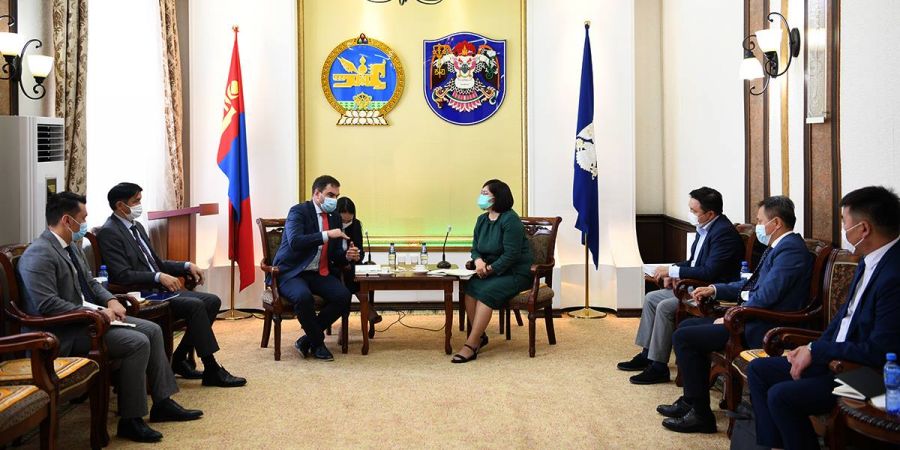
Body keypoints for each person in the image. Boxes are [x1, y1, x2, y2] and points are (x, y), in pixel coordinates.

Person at [18, 192, 203, 443]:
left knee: (152, 330)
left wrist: (110, 300)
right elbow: (47, 304)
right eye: (83, 218)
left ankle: (162, 402)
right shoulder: (39, 253)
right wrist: (95, 313)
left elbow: (91, 283)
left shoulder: (71, 247)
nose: (85, 223)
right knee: (137, 342)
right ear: (67, 220)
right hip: (60, 333)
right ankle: (131, 420)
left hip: (86, 322)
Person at [745, 186, 900, 450]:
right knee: (759, 370)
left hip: (869, 374)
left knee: (782, 396)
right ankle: (772, 445)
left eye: (844, 222)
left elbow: (880, 350)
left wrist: (817, 351)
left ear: (863, 229)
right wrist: (810, 347)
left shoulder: (893, 275)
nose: (843, 230)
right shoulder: (868, 260)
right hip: (835, 357)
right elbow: (843, 319)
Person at [660, 196, 813, 433]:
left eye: (760, 221)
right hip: (751, 317)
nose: (758, 227)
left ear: (776, 223)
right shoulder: (779, 247)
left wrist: (735, 314)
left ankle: (701, 415)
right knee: (686, 327)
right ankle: (691, 401)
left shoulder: (791, 251)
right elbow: (751, 285)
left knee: (685, 337)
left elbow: (767, 295)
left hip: (765, 326)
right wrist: (715, 289)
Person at [96, 182, 245, 388]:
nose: (140, 205)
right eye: (136, 201)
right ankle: (211, 368)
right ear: (121, 206)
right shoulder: (109, 232)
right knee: (196, 305)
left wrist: (186, 265)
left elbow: (156, 262)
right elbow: (123, 275)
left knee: (212, 301)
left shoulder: (136, 227)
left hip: (159, 291)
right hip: (141, 295)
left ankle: (180, 358)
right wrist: (158, 277)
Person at [618, 187, 744, 384]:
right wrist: (673, 270)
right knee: (651, 298)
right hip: (694, 287)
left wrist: (673, 272)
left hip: (711, 291)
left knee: (664, 306)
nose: (690, 214)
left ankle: (659, 366)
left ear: (710, 213)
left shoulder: (723, 234)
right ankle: (647, 354)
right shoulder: (705, 227)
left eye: (694, 211)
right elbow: (693, 263)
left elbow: (709, 272)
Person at [271, 175, 361, 361]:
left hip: (318, 272)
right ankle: (318, 344)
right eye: (330, 195)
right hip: (292, 272)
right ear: (317, 194)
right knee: (303, 297)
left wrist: (347, 256)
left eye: (336, 196)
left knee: (343, 296)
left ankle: (306, 340)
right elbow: (296, 242)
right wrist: (326, 234)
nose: (334, 200)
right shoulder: (298, 212)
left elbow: (334, 254)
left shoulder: (334, 217)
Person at [452, 179, 533, 363]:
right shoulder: (482, 220)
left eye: (485, 194)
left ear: (498, 197)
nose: (481, 197)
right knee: (470, 288)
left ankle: (471, 344)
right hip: (491, 271)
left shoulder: (510, 220)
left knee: (486, 292)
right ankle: (480, 336)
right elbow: (475, 248)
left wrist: (489, 269)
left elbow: (511, 255)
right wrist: (478, 261)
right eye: (481, 193)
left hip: (515, 272)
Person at [336, 197, 380, 325]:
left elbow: (361, 250)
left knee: (352, 273)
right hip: (335, 265)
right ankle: (369, 311)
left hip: (352, 265)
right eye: (343, 220)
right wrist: (345, 258)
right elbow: (330, 253)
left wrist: (357, 255)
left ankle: (345, 323)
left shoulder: (355, 225)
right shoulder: (330, 226)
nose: (346, 223)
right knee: (350, 275)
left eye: (349, 220)